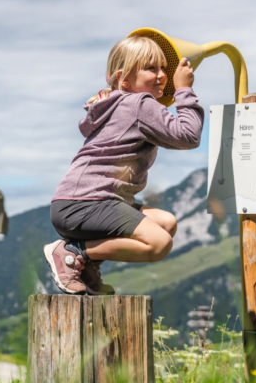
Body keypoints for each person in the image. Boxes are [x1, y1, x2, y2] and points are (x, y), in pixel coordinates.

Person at [44, 35, 204, 295]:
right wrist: (184, 90)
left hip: (75, 203)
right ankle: (72, 253)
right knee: (158, 244)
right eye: (152, 68)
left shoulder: (117, 104)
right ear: (124, 79)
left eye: (164, 68)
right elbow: (187, 136)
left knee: (166, 222)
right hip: (88, 203)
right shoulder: (139, 103)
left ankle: (86, 265)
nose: (163, 74)